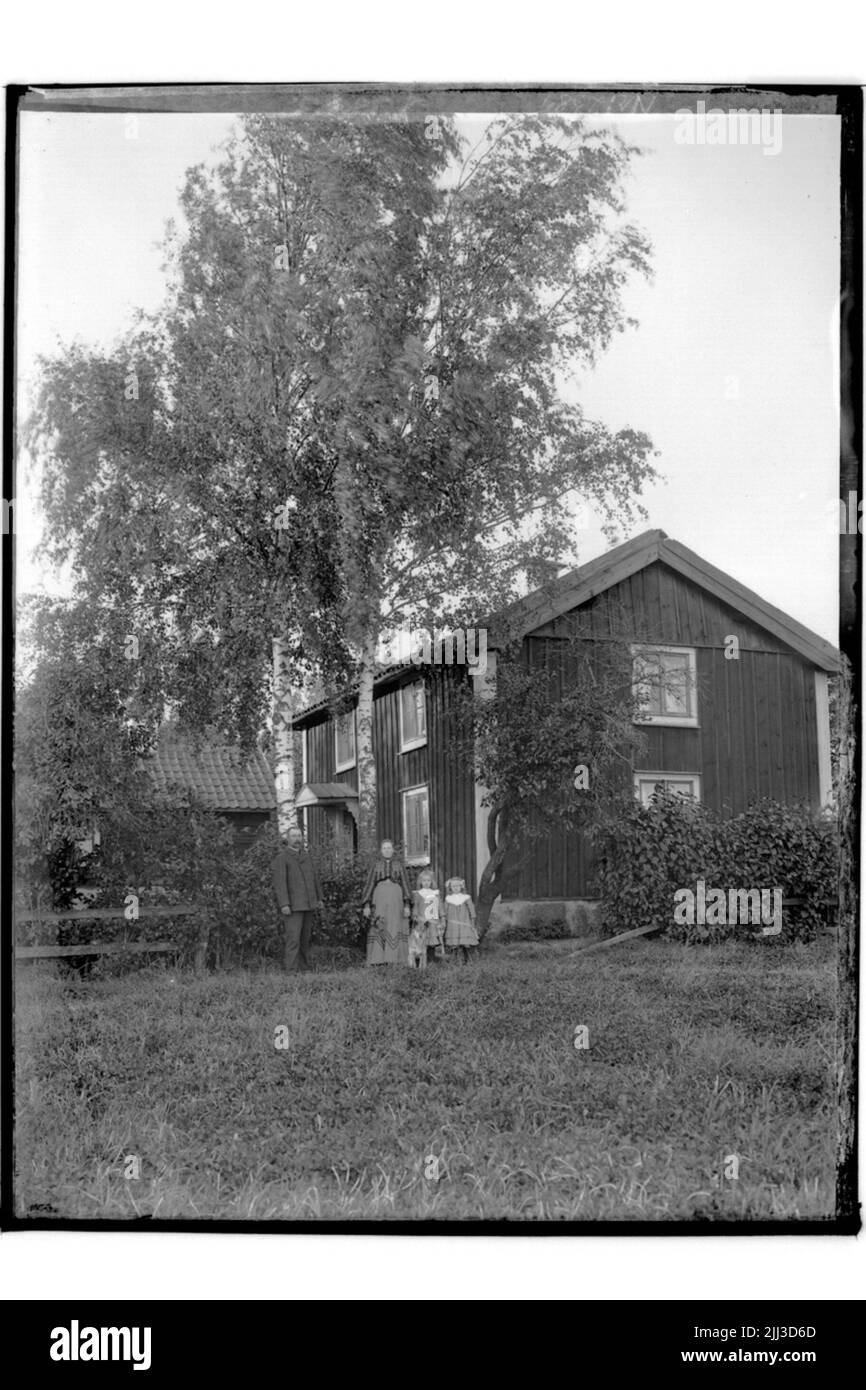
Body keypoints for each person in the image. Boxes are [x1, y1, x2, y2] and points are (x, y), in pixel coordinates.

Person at [271, 825, 324, 973]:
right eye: (294, 836)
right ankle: (291, 971)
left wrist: (319, 898)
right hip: (293, 906)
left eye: (299, 836)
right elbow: (280, 883)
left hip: (309, 904)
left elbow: (315, 878)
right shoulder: (282, 858)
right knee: (293, 939)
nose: (297, 839)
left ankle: (304, 969)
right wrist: (284, 904)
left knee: (305, 939)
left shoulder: (307, 856)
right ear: (287, 839)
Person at [361, 839, 411, 966]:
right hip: (380, 898)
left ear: (393, 850)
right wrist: (366, 905)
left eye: (389, 848)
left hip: (396, 898)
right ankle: (378, 959)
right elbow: (370, 884)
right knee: (380, 923)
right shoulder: (376, 865)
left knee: (395, 923)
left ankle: (395, 958)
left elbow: (405, 883)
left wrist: (407, 905)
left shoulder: (399, 865)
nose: (387, 850)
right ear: (381, 851)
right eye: (384, 848)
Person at [442, 876, 479, 963]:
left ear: (461, 886)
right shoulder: (448, 899)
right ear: (450, 887)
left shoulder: (466, 898)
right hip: (452, 924)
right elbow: (444, 911)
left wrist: (472, 920)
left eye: (457, 886)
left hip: (464, 923)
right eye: (453, 886)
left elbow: (472, 910)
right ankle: (454, 960)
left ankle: (468, 960)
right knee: (454, 943)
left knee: (465, 942)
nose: (455, 888)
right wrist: (443, 920)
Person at [412, 868, 444, 962]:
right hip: (422, 920)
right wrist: (415, 916)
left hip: (433, 921)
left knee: (432, 939)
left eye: (428, 880)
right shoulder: (418, 894)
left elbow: (440, 906)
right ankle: (421, 958)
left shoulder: (435, 894)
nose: (426, 883)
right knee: (422, 939)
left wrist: (442, 918)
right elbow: (416, 906)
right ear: (420, 882)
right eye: (424, 881)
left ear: (432, 882)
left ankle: (431, 957)